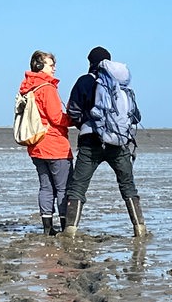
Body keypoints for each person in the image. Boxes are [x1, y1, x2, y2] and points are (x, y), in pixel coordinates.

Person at [62, 46, 148, 238]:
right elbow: (136, 116)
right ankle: (140, 229)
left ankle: (70, 232)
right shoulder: (122, 85)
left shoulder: (84, 81)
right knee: (128, 185)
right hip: (119, 143)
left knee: (78, 187)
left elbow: (73, 112)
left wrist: (87, 124)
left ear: (90, 62)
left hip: (90, 143)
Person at [18, 49, 72, 234]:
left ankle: (47, 229)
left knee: (46, 187)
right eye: (51, 64)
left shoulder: (27, 87)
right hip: (54, 145)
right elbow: (56, 118)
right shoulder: (47, 88)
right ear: (40, 66)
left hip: (36, 146)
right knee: (64, 188)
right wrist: (74, 120)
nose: (54, 68)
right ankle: (66, 227)